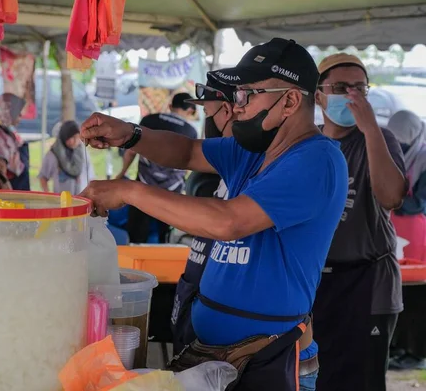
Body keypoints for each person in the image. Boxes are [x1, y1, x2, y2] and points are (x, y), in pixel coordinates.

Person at [80, 38, 348, 390]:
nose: (237, 107)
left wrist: (128, 190)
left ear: (291, 101)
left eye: (248, 95)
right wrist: (131, 135)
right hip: (217, 355)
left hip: (269, 360)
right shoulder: (252, 152)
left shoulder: (316, 160)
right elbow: (187, 151)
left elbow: (228, 221)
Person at [312, 53, 407, 391]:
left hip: (368, 281)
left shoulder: (379, 140)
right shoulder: (309, 145)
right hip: (316, 282)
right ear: (318, 94)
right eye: (341, 87)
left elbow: (391, 197)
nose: (352, 96)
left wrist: (369, 130)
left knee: (362, 380)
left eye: (360, 88)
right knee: (317, 376)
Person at [169, 71, 236, 355]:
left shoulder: (253, 166)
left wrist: (129, 192)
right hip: (195, 290)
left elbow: (224, 220)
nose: (208, 122)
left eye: (208, 113)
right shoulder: (225, 165)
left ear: (229, 110)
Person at [116, 92, 198, 243]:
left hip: (143, 187)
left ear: (170, 106)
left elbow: (131, 152)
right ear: (190, 111)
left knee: (136, 237)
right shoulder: (190, 131)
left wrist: (121, 174)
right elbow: (190, 163)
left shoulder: (149, 120)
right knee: (165, 237)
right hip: (171, 193)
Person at [387, 110, 426, 263]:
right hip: (388, 226)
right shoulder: (386, 153)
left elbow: (419, 203)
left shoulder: (423, 160)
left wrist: (387, 200)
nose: (397, 147)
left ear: (414, 139)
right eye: (393, 141)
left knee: (411, 272)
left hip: (415, 228)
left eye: (402, 143)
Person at [39, 120, 94, 194]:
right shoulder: (53, 154)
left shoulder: (83, 152)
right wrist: (48, 193)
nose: (76, 141)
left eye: (78, 137)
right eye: (73, 137)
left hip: (82, 200)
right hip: (62, 202)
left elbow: (90, 176)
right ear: (65, 136)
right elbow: (43, 177)